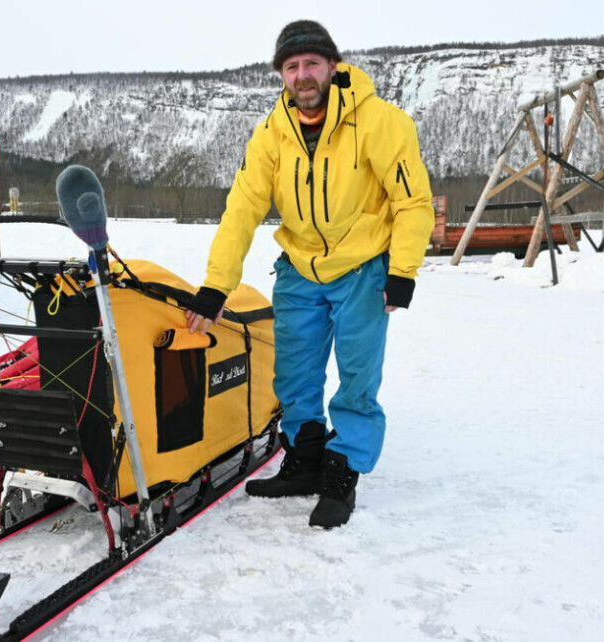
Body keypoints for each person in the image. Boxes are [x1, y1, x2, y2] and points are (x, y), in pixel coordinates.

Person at [185, 20, 434, 529]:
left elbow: (412, 202)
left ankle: (342, 472)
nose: (302, 75)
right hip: (299, 267)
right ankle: (302, 462)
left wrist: (403, 271)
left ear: (333, 67)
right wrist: (216, 286)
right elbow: (242, 210)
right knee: (293, 376)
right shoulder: (271, 135)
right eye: (291, 66)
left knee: (357, 378)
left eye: (312, 64)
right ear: (282, 75)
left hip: (364, 268)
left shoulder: (382, 123)